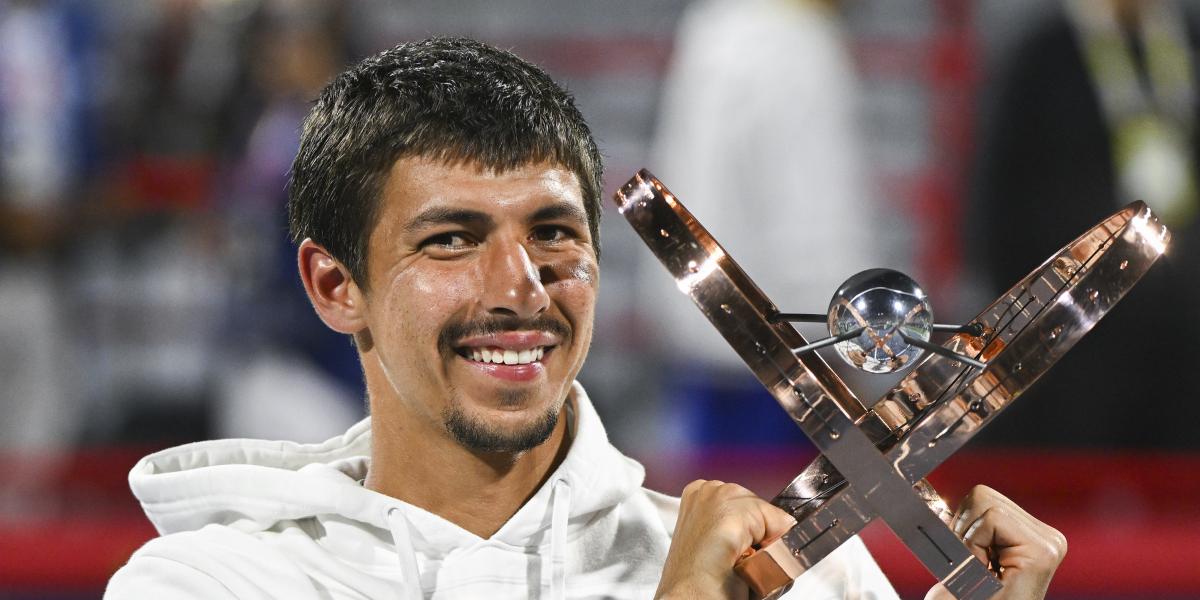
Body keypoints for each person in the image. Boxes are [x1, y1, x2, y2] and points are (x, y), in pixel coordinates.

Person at [106, 37, 1066, 599]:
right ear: (333, 285)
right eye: (452, 239)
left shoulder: (798, 575)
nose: (520, 286)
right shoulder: (210, 584)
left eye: (554, 233)